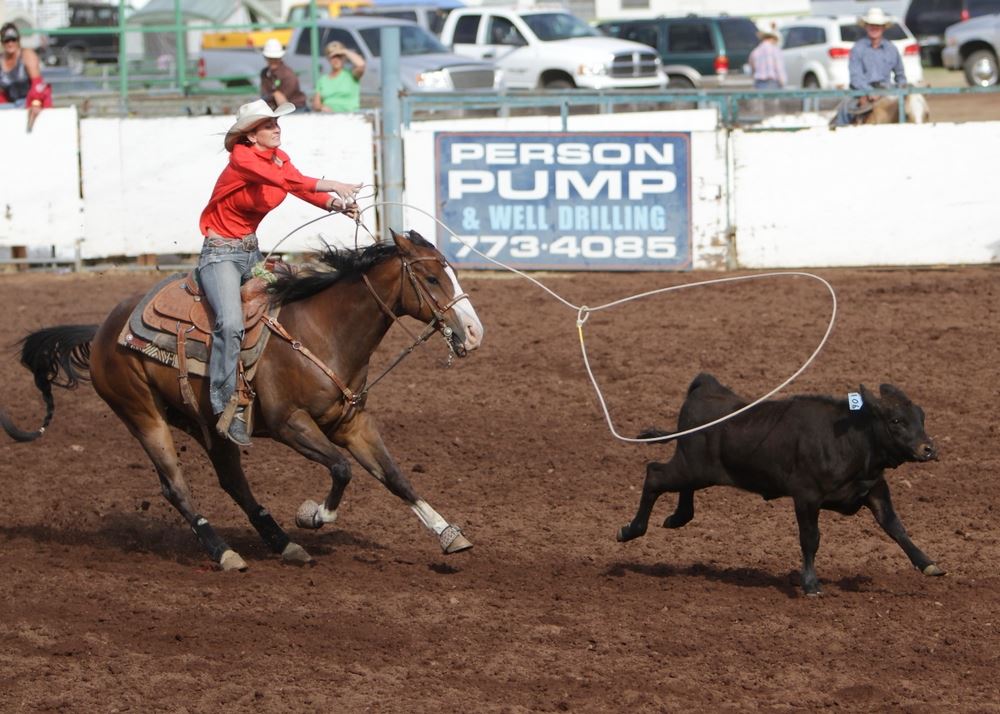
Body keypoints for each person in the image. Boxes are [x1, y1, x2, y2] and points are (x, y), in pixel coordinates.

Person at [198, 98, 361, 445]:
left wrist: (335, 204)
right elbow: (287, 180)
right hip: (220, 256)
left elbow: (297, 184)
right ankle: (223, 401)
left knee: (297, 291)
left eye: (276, 123)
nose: (276, 128)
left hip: (251, 254)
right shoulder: (242, 159)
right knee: (229, 322)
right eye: (267, 125)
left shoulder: (278, 159)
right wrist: (334, 184)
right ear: (250, 135)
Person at [832, 7, 907, 127]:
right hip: (861, 91)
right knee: (844, 112)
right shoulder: (858, 48)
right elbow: (855, 77)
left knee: (908, 110)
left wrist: (901, 89)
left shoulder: (891, 49)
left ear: (883, 27)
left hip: (887, 90)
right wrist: (869, 92)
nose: (874, 28)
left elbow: (900, 75)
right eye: (871, 24)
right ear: (866, 26)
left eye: (878, 25)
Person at [0, 22, 51, 132]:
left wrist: (36, 103)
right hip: (10, 105)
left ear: (18, 40)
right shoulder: (1, 60)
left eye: (13, 39)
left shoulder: (27, 55)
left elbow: (38, 85)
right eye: (6, 40)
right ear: (2, 42)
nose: (10, 43)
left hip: (28, 102)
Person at [312, 41, 365, 113]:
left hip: (350, 116)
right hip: (328, 117)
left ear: (344, 58)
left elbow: (361, 65)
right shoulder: (322, 80)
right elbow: (316, 104)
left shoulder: (351, 75)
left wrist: (344, 51)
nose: (336, 59)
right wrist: (322, 107)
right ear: (328, 59)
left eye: (339, 56)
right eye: (333, 57)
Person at [260, 38, 307, 112]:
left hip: (296, 109)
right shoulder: (265, 73)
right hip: (277, 108)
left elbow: (284, 101)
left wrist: (274, 95)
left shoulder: (288, 75)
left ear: (280, 58)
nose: (273, 61)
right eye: (270, 58)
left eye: (275, 58)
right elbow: (265, 93)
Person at [748, 25, 786, 89]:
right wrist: (783, 82)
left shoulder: (755, 51)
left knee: (761, 98)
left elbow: (752, 68)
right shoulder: (775, 50)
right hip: (772, 82)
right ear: (773, 38)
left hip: (758, 82)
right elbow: (779, 68)